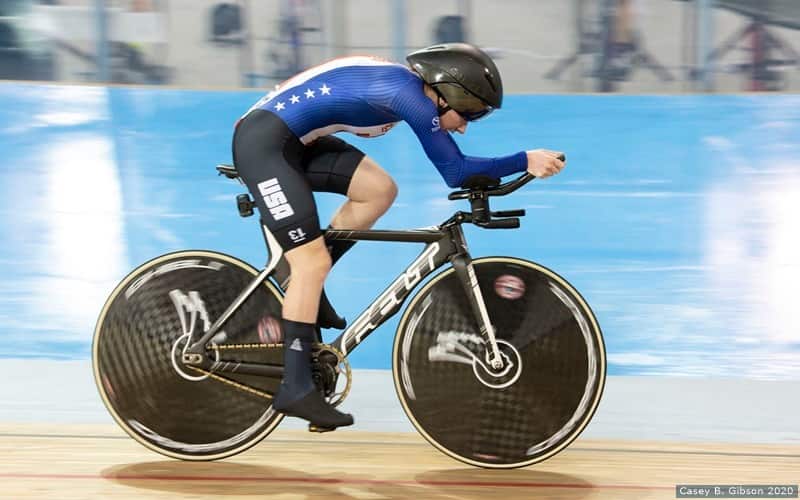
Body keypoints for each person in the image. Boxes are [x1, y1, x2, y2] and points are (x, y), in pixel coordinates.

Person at [232, 43, 566, 431]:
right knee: (313, 263)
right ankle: (295, 387)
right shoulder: (409, 98)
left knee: (378, 190)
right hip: (265, 145)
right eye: (469, 113)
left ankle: (302, 287)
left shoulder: (409, 90)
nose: (465, 125)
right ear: (448, 93)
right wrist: (524, 160)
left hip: (292, 140)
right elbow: (456, 171)